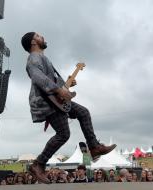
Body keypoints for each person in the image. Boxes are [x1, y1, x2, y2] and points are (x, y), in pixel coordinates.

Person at [21, 32, 116, 184]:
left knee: (83, 113)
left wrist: (65, 85)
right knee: (63, 134)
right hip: (47, 102)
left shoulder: (43, 58)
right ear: (33, 42)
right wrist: (59, 90)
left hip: (54, 99)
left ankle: (94, 147)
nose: (43, 37)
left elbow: (50, 80)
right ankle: (38, 164)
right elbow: (38, 77)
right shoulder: (34, 58)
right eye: (39, 36)